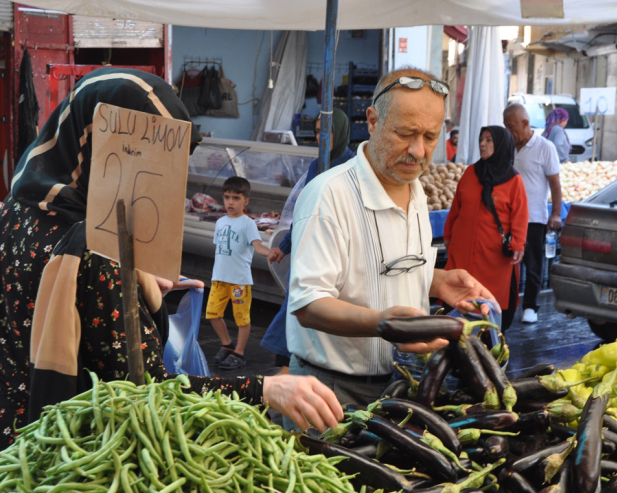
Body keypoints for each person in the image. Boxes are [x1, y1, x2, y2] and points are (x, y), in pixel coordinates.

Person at [0, 68, 342, 448]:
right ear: (104, 148)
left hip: (16, 438)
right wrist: (264, 389)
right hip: (76, 455)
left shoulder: (19, 208)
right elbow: (148, 394)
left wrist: (131, 284)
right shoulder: (96, 248)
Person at [286, 67, 496, 409]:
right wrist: (382, 324)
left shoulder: (417, 192)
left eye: (430, 137)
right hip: (330, 390)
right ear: (372, 121)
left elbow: (384, 272)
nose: (417, 150)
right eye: (406, 133)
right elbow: (308, 304)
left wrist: (437, 281)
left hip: (402, 384)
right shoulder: (328, 195)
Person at [262, 109, 356, 372]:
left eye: (326, 131)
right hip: (307, 248)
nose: (320, 137)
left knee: (315, 311)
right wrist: (284, 246)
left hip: (335, 252)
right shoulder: (317, 165)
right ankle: (285, 372)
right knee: (295, 307)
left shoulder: (353, 166)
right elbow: (305, 210)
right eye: (316, 132)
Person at [443, 127, 528, 332]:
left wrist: (517, 243)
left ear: (500, 146)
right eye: (481, 139)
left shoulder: (513, 180)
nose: (483, 144)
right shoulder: (471, 173)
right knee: (457, 299)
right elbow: (456, 207)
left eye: (489, 140)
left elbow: (521, 214)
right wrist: (448, 235)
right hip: (463, 252)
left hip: (493, 258)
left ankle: (490, 341)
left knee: (491, 303)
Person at [503, 103, 563, 325]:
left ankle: (530, 307)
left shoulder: (545, 147)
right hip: (508, 219)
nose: (509, 131)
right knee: (508, 262)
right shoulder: (508, 147)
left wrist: (555, 214)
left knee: (533, 264)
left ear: (525, 123)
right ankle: (507, 304)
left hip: (534, 218)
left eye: (511, 126)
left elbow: (555, 185)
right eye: (506, 127)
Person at [206, 176, 273, 370]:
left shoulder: (247, 224)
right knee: (212, 314)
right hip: (219, 279)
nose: (230, 202)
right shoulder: (219, 222)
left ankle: (239, 353)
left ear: (246, 201)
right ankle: (227, 344)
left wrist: (271, 253)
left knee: (241, 318)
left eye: (236, 198)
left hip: (239, 282)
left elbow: (257, 246)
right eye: (227, 197)